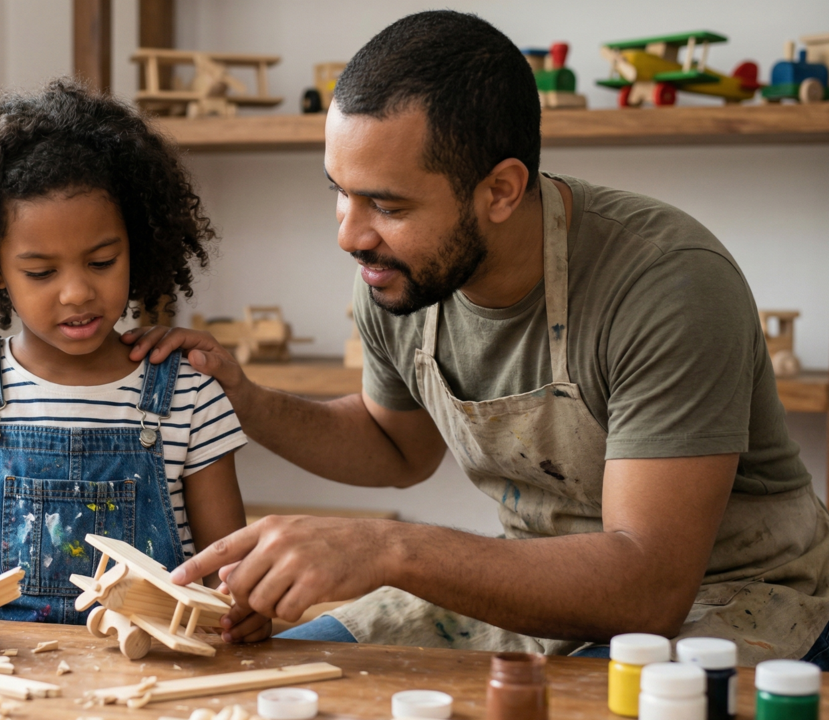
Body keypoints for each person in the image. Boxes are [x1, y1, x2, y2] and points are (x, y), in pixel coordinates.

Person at [124, 11, 829, 666]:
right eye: (340, 190)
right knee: (294, 671)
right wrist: (244, 399)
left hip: (729, 594)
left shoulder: (666, 283)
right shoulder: (398, 271)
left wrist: (386, 546)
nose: (349, 233)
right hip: (529, 584)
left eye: (388, 204)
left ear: (500, 191)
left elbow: (648, 587)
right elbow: (395, 446)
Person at [0, 80, 263, 636]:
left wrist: (245, 604)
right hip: (3, 681)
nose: (77, 292)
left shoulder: (188, 396)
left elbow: (228, 576)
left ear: (138, 243)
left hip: (145, 679)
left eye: (102, 261)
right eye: (41, 272)